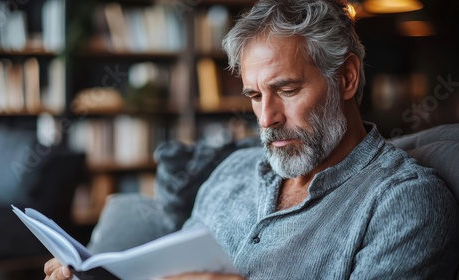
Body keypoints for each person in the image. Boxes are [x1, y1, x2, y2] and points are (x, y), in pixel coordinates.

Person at [44, 0, 459, 279]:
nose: (267, 118)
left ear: (346, 78)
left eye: (288, 90)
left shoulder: (403, 203)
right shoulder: (232, 172)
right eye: (255, 95)